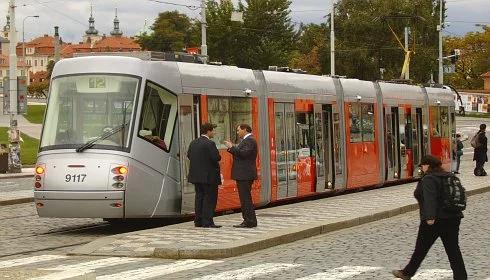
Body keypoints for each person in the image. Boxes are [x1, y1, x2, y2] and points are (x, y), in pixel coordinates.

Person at [392, 155, 467, 280]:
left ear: (428, 165)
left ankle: (407, 273)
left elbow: (429, 199)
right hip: (453, 217)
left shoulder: (429, 179)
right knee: (453, 249)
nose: (421, 167)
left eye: (422, 165)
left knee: (421, 248)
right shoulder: (449, 176)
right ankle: (461, 277)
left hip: (434, 220)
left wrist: (430, 217)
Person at [187, 123, 222, 228]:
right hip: (209, 177)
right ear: (208, 131)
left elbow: (189, 155)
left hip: (196, 176)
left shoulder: (193, 143)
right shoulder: (210, 144)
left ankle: (198, 221)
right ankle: (207, 222)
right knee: (209, 198)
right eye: (213, 131)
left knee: (199, 197)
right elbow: (216, 157)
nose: (214, 133)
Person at [224, 124, 258, 228]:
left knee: (245, 199)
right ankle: (248, 220)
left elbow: (243, 154)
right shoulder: (246, 141)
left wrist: (231, 147)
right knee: (244, 198)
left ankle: (249, 221)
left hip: (245, 174)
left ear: (245, 130)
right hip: (243, 174)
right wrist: (232, 148)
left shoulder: (250, 140)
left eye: (238, 130)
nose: (237, 132)